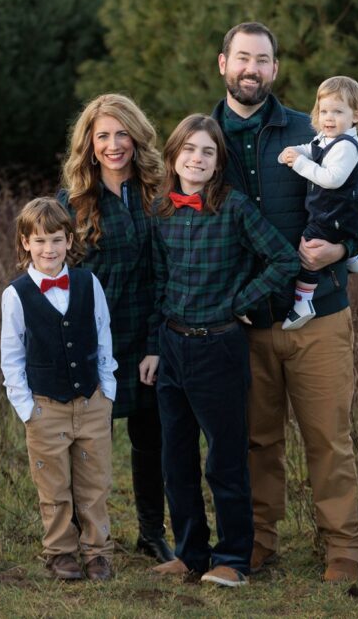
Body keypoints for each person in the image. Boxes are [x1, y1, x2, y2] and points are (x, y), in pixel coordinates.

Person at [210, 22, 358, 582]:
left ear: (275, 69)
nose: (250, 69)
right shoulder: (203, 141)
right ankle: (258, 539)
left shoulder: (317, 131)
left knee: (328, 436)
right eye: (241, 59)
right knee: (258, 438)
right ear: (223, 64)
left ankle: (342, 547)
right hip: (245, 319)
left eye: (261, 59)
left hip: (319, 315)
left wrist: (343, 247)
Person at [147, 115, 298, 588]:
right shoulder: (160, 211)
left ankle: (233, 558)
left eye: (208, 152)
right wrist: (153, 346)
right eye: (189, 149)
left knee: (225, 460)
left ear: (218, 163)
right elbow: (157, 281)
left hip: (219, 346)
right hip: (171, 347)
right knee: (176, 459)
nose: (197, 158)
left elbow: (284, 258)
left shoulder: (234, 208)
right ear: (173, 156)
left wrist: (240, 302)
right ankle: (190, 553)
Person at [57, 94, 172, 564]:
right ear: (88, 143)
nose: (113, 144)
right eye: (102, 135)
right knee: (87, 445)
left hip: (147, 336)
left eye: (121, 133)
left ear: (136, 136)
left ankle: (151, 532)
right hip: (91, 342)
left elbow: (167, 272)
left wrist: (155, 343)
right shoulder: (74, 201)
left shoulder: (159, 193)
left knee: (152, 440)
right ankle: (84, 537)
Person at [0, 198, 118, 581]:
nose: (48, 249)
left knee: (94, 483)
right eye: (39, 241)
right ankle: (60, 552)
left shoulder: (88, 283)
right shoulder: (16, 295)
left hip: (92, 400)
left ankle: (97, 552)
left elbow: (103, 337)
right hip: (45, 406)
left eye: (55, 240)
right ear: (25, 243)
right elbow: (12, 355)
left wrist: (108, 391)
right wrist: (26, 408)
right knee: (53, 486)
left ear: (69, 240)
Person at [277, 75, 358, 330]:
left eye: (338, 111)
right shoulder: (326, 138)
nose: (329, 118)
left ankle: (303, 302)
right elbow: (312, 148)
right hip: (341, 212)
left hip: (335, 212)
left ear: (355, 116)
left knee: (309, 247)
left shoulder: (346, 146)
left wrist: (299, 164)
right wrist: (295, 152)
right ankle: (353, 259)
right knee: (336, 234)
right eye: (324, 111)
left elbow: (331, 179)